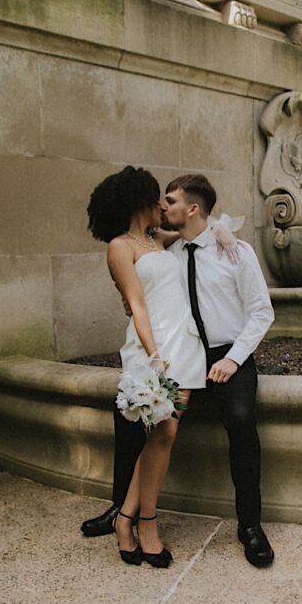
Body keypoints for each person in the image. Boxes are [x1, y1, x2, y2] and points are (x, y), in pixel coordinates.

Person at [83, 173, 277, 568]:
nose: (160, 206)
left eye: (168, 200)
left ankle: (250, 526)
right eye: (158, 200)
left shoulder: (231, 250)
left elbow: (261, 311)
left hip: (223, 354)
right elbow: (142, 293)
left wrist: (233, 358)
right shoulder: (163, 248)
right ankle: (124, 511)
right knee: (131, 423)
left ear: (190, 209)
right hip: (174, 351)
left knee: (238, 419)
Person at [86, 166, 206, 568]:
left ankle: (131, 519)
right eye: (156, 199)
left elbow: (195, 227)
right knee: (161, 431)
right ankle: (139, 522)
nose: (161, 206)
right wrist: (154, 356)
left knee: (165, 437)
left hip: (184, 347)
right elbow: (137, 303)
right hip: (151, 348)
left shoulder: (157, 240)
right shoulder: (121, 247)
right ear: (140, 201)